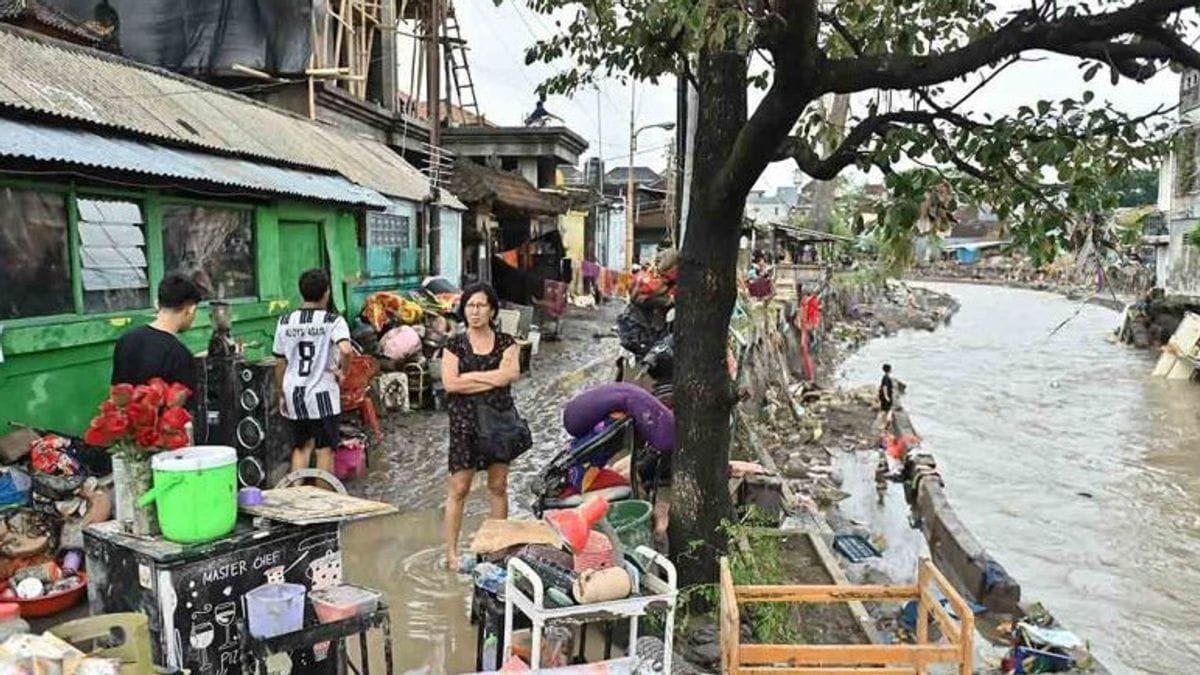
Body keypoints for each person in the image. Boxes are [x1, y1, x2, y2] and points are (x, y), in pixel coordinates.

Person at [442, 282, 522, 571]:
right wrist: (492, 377)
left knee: (498, 486)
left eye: (480, 305)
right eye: (470, 306)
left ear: (492, 310)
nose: (475, 311)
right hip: (464, 425)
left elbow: (510, 374)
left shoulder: (507, 343)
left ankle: (499, 551)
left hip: (499, 423)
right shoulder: (454, 345)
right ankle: (451, 555)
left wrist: (470, 378)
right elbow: (451, 384)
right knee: (459, 487)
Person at [272, 269, 353, 488]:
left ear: (301, 292)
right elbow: (346, 350)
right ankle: (322, 503)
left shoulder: (285, 321)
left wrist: (281, 393)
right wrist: (343, 372)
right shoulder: (333, 321)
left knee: (300, 448)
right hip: (322, 394)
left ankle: (295, 499)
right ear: (327, 292)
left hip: (294, 394)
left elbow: (280, 362)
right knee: (324, 450)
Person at [111, 274, 202, 394]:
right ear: (190, 309)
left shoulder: (126, 340)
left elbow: (116, 394)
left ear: (157, 304)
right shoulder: (180, 356)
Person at [878, 363, 896, 429]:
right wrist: (886, 396)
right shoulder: (886, 378)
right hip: (886, 397)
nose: (892, 370)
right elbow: (885, 387)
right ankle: (885, 422)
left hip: (884, 396)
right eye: (891, 368)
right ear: (889, 369)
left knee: (884, 410)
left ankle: (884, 423)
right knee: (886, 410)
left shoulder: (885, 377)